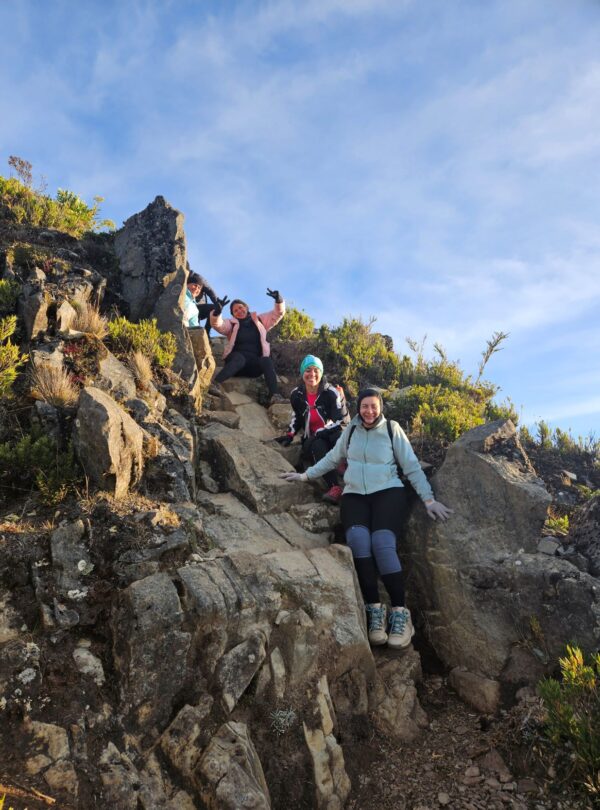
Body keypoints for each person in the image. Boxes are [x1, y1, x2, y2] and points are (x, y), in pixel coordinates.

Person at [280, 387, 452, 649]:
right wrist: (305, 476)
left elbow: (411, 466)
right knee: (359, 542)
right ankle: (374, 611)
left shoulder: (392, 429)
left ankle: (400, 613)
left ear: (380, 407)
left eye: (374, 406)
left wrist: (428, 499)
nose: (369, 411)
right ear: (358, 408)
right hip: (355, 495)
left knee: (382, 544)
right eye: (364, 406)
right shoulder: (350, 431)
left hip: (388, 493)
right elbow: (332, 457)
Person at [275, 355, 349, 505]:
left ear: (321, 373)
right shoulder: (297, 394)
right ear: (303, 373)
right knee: (316, 445)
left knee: (338, 435)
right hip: (314, 439)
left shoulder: (331, 392)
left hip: (332, 433)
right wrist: (290, 434)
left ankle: (343, 462)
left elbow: (339, 420)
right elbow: (296, 415)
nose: (312, 374)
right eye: (308, 370)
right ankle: (334, 488)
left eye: (316, 370)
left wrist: (323, 430)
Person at [210, 288, 286, 402]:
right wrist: (217, 312)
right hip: (236, 364)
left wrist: (278, 300)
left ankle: (275, 396)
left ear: (246, 307)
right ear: (233, 315)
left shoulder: (259, 320)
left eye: (240, 307)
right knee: (239, 358)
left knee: (266, 360)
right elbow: (219, 325)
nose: (239, 311)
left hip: (253, 367)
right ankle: (214, 384)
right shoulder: (231, 324)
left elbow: (277, 314)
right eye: (235, 311)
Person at [184, 272, 220, 336]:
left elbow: (209, 290)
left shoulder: (198, 277)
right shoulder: (181, 294)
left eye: (199, 288)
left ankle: (206, 333)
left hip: (198, 306)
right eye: (195, 285)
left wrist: (217, 303)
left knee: (213, 308)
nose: (196, 288)